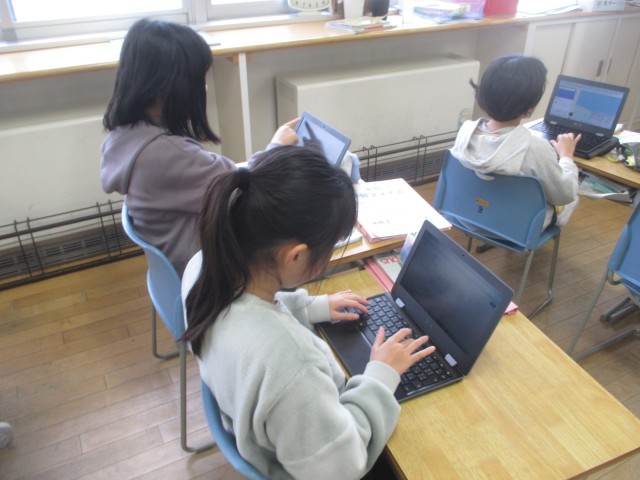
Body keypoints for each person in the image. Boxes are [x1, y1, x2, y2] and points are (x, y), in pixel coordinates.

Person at [182, 145, 436, 480]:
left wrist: (312, 306)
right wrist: (380, 375)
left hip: (271, 432)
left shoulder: (202, 267)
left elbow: (250, 312)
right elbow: (340, 468)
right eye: (329, 249)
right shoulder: (290, 364)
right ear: (296, 256)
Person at [100, 18, 298, 276]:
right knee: (289, 234)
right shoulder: (165, 153)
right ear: (166, 86)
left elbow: (224, 177)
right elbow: (242, 188)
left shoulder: (125, 134)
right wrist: (276, 149)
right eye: (198, 79)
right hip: (204, 275)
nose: (203, 87)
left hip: (177, 267)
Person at [451, 55, 581, 229]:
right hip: (516, 229)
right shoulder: (536, 148)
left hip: (466, 216)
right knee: (573, 194)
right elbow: (564, 195)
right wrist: (566, 156)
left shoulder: (465, 132)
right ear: (530, 107)